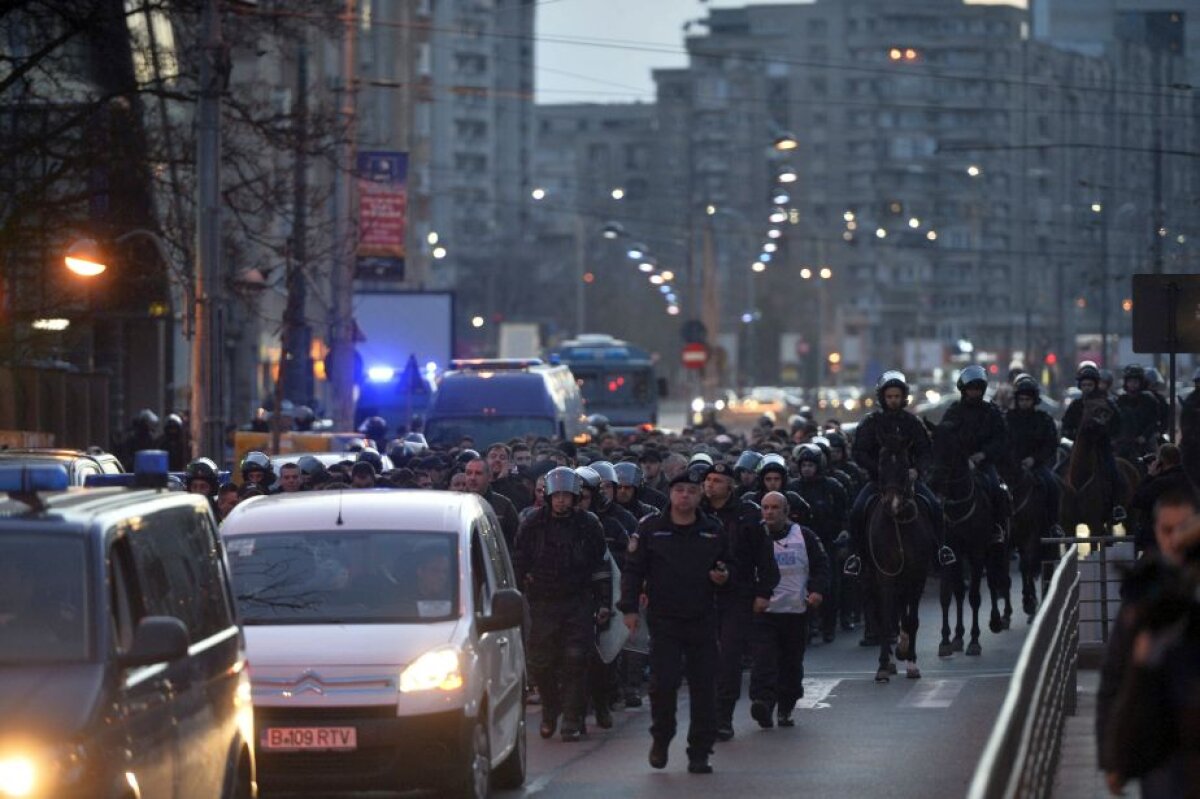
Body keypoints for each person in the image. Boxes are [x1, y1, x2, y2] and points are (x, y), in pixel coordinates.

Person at [620, 462, 731, 775]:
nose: (685, 496)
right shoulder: (651, 528)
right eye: (680, 490)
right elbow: (633, 570)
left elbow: (727, 565)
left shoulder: (712, 529)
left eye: (692, 491)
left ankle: (700, 751)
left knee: (704, 688)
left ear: (700, 496)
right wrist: (628, 609)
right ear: (670, 494)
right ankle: (662, 737)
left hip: (702, 619)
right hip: (664, 621)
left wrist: (723, 576)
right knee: (663, 685)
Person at [1097, 488, 1198, 796]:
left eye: (1183, 530)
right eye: (1167, 530)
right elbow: (1116, 676)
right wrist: (1113, 757)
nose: (1175, 540)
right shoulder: (1147, 591)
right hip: (1161, 745)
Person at [512, 467, 610, 742]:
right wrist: (519, 590)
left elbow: (600, 564)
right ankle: (550, 709)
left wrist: (603, 601)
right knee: (541, 662)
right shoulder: (532, 523)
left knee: (575, 659)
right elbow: (519, 559)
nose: (561, 501)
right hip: (543, 601)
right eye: (557, 496)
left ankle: (571, 717)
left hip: (578, 600)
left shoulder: (588, 524)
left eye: (567, 496)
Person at [845, 371, 954, 575]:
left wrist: (917, 470)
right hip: (879, 481)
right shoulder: (871, 422)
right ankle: (856, 556)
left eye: (897, 396)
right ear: (882, 398)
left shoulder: (912, 423)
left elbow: (925, 451)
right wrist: (876, 469)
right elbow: (859, 452)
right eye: (889, 397)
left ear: (903, 397)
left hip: (908, 481)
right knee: (857, 511)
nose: (893, 400)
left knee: (935, 507)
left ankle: (941, 550)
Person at [702, 461, 779, 742]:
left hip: (737, 594)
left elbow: (765, 558)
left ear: (730, 485)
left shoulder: (748, 514)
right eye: (708, 479)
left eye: (717, 480)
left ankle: (724, 717)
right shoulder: (694, 512)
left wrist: (763, 592)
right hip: (699, 595)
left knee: (729, 658)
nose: (710, 485)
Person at [748, 492, 830, 729]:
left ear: (786, 511)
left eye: (775, 508)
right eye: (765, 507)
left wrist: (816, 591)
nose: (769, 512)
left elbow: (822, 566)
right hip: (764, 612)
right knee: (763, 659)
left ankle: (785, 708)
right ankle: (763, 702)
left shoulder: (805, 536)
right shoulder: (752, 536)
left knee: (791, 663)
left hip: (795, 612)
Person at [575, 466, 631, 730]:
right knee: (571, 658)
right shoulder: (553, 522)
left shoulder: (611, 524)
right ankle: (573, 709)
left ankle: (601, 701)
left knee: (601, 657)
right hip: (571, 598)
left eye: (584, 496)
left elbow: (625, 560)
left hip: (604, 597)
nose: (579, 501)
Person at [787, 443, 847, 643]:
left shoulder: (832, 486)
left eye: (810, 465)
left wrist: (843, 535)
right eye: (803, 465)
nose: (806, 469)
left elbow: (844, 513)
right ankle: (810, 624)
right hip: (799, 544)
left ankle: (828, 625)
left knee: (828, 586)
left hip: (827, 542)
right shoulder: (793, 488)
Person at [1004, 375, 1063, 534]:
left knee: (1052, 484)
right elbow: (1002, 442)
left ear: (1034, 400)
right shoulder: (1007, 418)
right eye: (1021, 399)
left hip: (1037, 466)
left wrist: (1034, 459)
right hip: (1011, 467)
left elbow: (1051, 444)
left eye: (1027, 399)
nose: (1024, 403)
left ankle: (1053, 524)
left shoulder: (1043, 419)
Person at [1129, 444, 1197, 554]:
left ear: (1161, 462)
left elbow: (1137, 500)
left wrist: (1150, 476)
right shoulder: (1188, 482)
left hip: (1157, 542)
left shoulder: (1160, 484)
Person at [464, 457, 521, 550]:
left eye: (478, 473)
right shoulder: (456, 505)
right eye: (469, 473)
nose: (472, 478)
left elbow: (516, 541)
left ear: (489, 477)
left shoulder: (504, 505)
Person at [1115, 364, 1164, 462]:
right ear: (1126, 382)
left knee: (1155, 456)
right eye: (1130, 381)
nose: (1133, 384)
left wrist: (1144, 436)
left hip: (1145, 439)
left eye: (1135, 381)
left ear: (1141, 383)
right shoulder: (1121, 399)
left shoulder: (1149, 399)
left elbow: (1154, 420)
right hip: (1125, 440)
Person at [488, 443, 533, 511]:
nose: (497, 460)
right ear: (486, 460)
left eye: (502, 457)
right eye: (493, 456)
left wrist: (502, 480)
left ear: (510, 463)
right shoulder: (480, 482)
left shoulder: (519, 487)